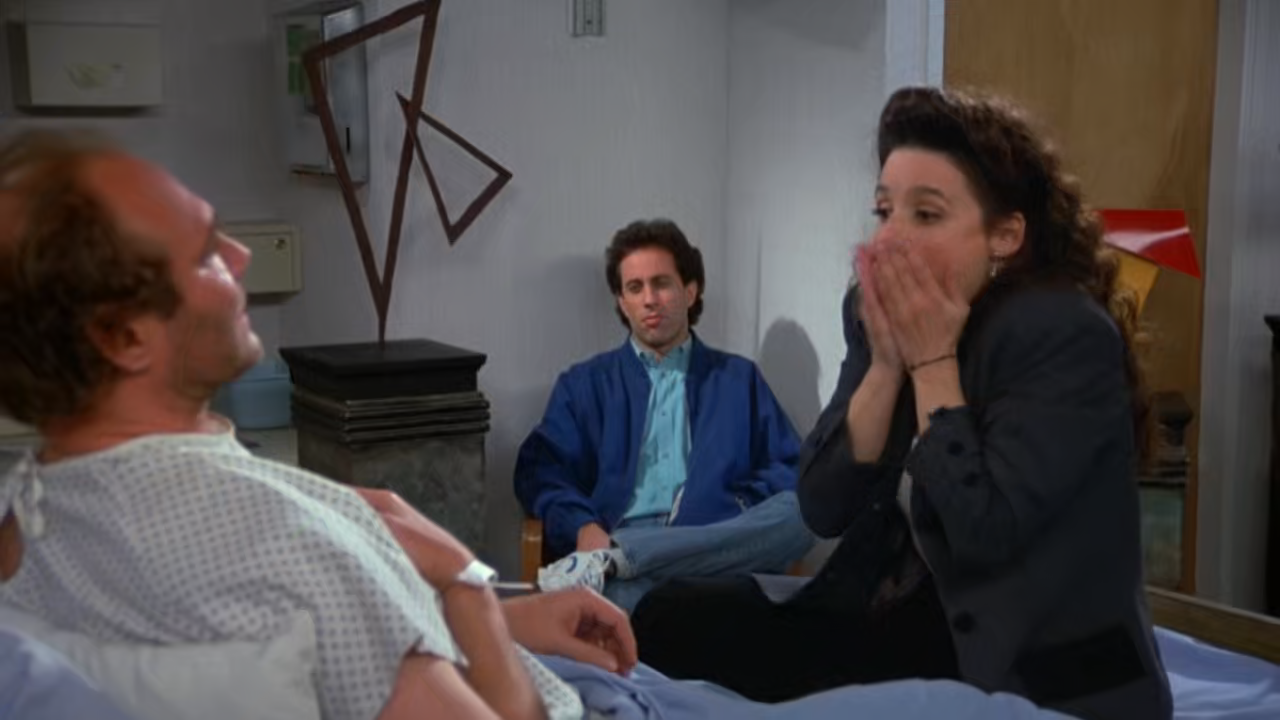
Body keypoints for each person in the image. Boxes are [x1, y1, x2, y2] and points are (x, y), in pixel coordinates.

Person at [0, 129, 638, 720]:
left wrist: (507, 619)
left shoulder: (24, 525)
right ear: (123, 336)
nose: (240, 255)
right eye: (204, 255)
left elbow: (327, 655)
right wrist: (463, 581)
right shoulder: (283, 537)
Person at [630, 86, 1173, 720]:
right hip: (899, 612)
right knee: (666, 616)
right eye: (884, 211)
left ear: (1004, 234)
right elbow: (823, 506)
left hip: (1034, 662)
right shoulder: (876, 314)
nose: (889, 239)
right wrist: (887, 366)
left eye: (927, 214)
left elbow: (984, 545)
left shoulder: (1062, 333)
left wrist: (934, 363)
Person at [514, 219, 814, 611]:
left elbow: (792, 469)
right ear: (622, 302)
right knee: (630, 601)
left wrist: (737, 504)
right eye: (635, 288)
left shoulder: (739, 380)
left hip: (713, 546)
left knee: (802, 513)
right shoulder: (585, 385)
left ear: (690, 291)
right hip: (623, 548)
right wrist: (582, 525)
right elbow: (540, 472)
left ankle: (624, 558)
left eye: (662, 284)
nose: (649, 299)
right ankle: (623, 563)